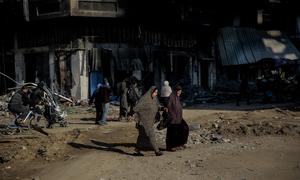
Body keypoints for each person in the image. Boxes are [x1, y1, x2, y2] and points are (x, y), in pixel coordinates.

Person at [133, 86, 163, 156]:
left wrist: (162, 108)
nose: (156, 94)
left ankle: (137, 149)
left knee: (142, 136)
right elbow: (136, 108)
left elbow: (157, 105)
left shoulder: (155, 98)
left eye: (157, 92)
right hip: (143, 121)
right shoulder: (144, 99)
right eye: (155, 92)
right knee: (151, 135)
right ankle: (157, 151)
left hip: (150, 120)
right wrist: (139, 116)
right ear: (151, 91)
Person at [166, 85, 189, 151]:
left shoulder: (177, 97)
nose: (179, 92)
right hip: (172, 119)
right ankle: (171, 147)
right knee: (172, 133)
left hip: (178, 118)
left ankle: (181, 144)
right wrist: (172, 117)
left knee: (185, 128)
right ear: (175, 91)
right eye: (178, 91)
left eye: (180, 91)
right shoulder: (172, 97)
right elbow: (169, 107)